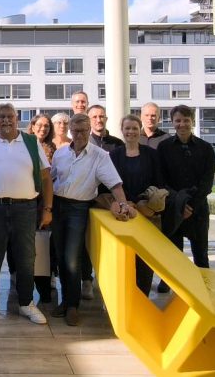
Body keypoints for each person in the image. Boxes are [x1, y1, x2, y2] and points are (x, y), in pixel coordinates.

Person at [0, 103, 52, 326]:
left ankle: (26, 303)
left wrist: (47, 209)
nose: (5, 120)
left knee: (26, 258)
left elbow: (45, 178)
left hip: (25, 210)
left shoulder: (32, 143)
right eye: (1, 116)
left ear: (17, 118)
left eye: (10, 116)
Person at [49, 112, 134, 326]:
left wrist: (123, 204)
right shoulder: (60, 154)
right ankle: (66, 300)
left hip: (79, 208)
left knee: (72, 258)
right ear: (70, 131)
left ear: (90, 131)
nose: (79, 134)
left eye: (84, 130)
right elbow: (49, 180)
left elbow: (115, 184)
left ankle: (72, 306)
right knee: (60, 256)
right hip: (58, 207)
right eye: (75, 131)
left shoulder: (100, 156)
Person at [110, 113, 169, 296]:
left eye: (135, 128)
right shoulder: (114, 155)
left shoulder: (151, 154)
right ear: (122, 130)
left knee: (145, 259)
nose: (131, 132)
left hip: (147, 213)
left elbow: (160, 182)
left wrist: (143, 204)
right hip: (123, 214)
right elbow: (109, 183)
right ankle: (125, 296)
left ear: (140, 130)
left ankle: (142, 295)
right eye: (127, 128)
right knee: (124, 258)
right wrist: (127, 203)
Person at [156, 105, 215, 270]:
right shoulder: (164, 148)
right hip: (173, 208)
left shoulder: (206, 148)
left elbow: (206, 183)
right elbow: (161, 180)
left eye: (186, 120)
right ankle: (171, 287)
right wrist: (179, 203)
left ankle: (203, 292)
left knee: (201, 257)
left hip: (197, 210)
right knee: (173, 256)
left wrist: (190, 205)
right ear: (172, 122)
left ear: (193, 121)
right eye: (178, 120)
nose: (182, 124)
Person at [28, 114, 59, 306]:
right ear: (32, 126)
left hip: (45, 202)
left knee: (44, 248)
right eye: (39, 125)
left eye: (47, 126)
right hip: (27, 201)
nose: (43, 129)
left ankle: (44, 288)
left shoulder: (53, 148)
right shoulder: (24, 144)